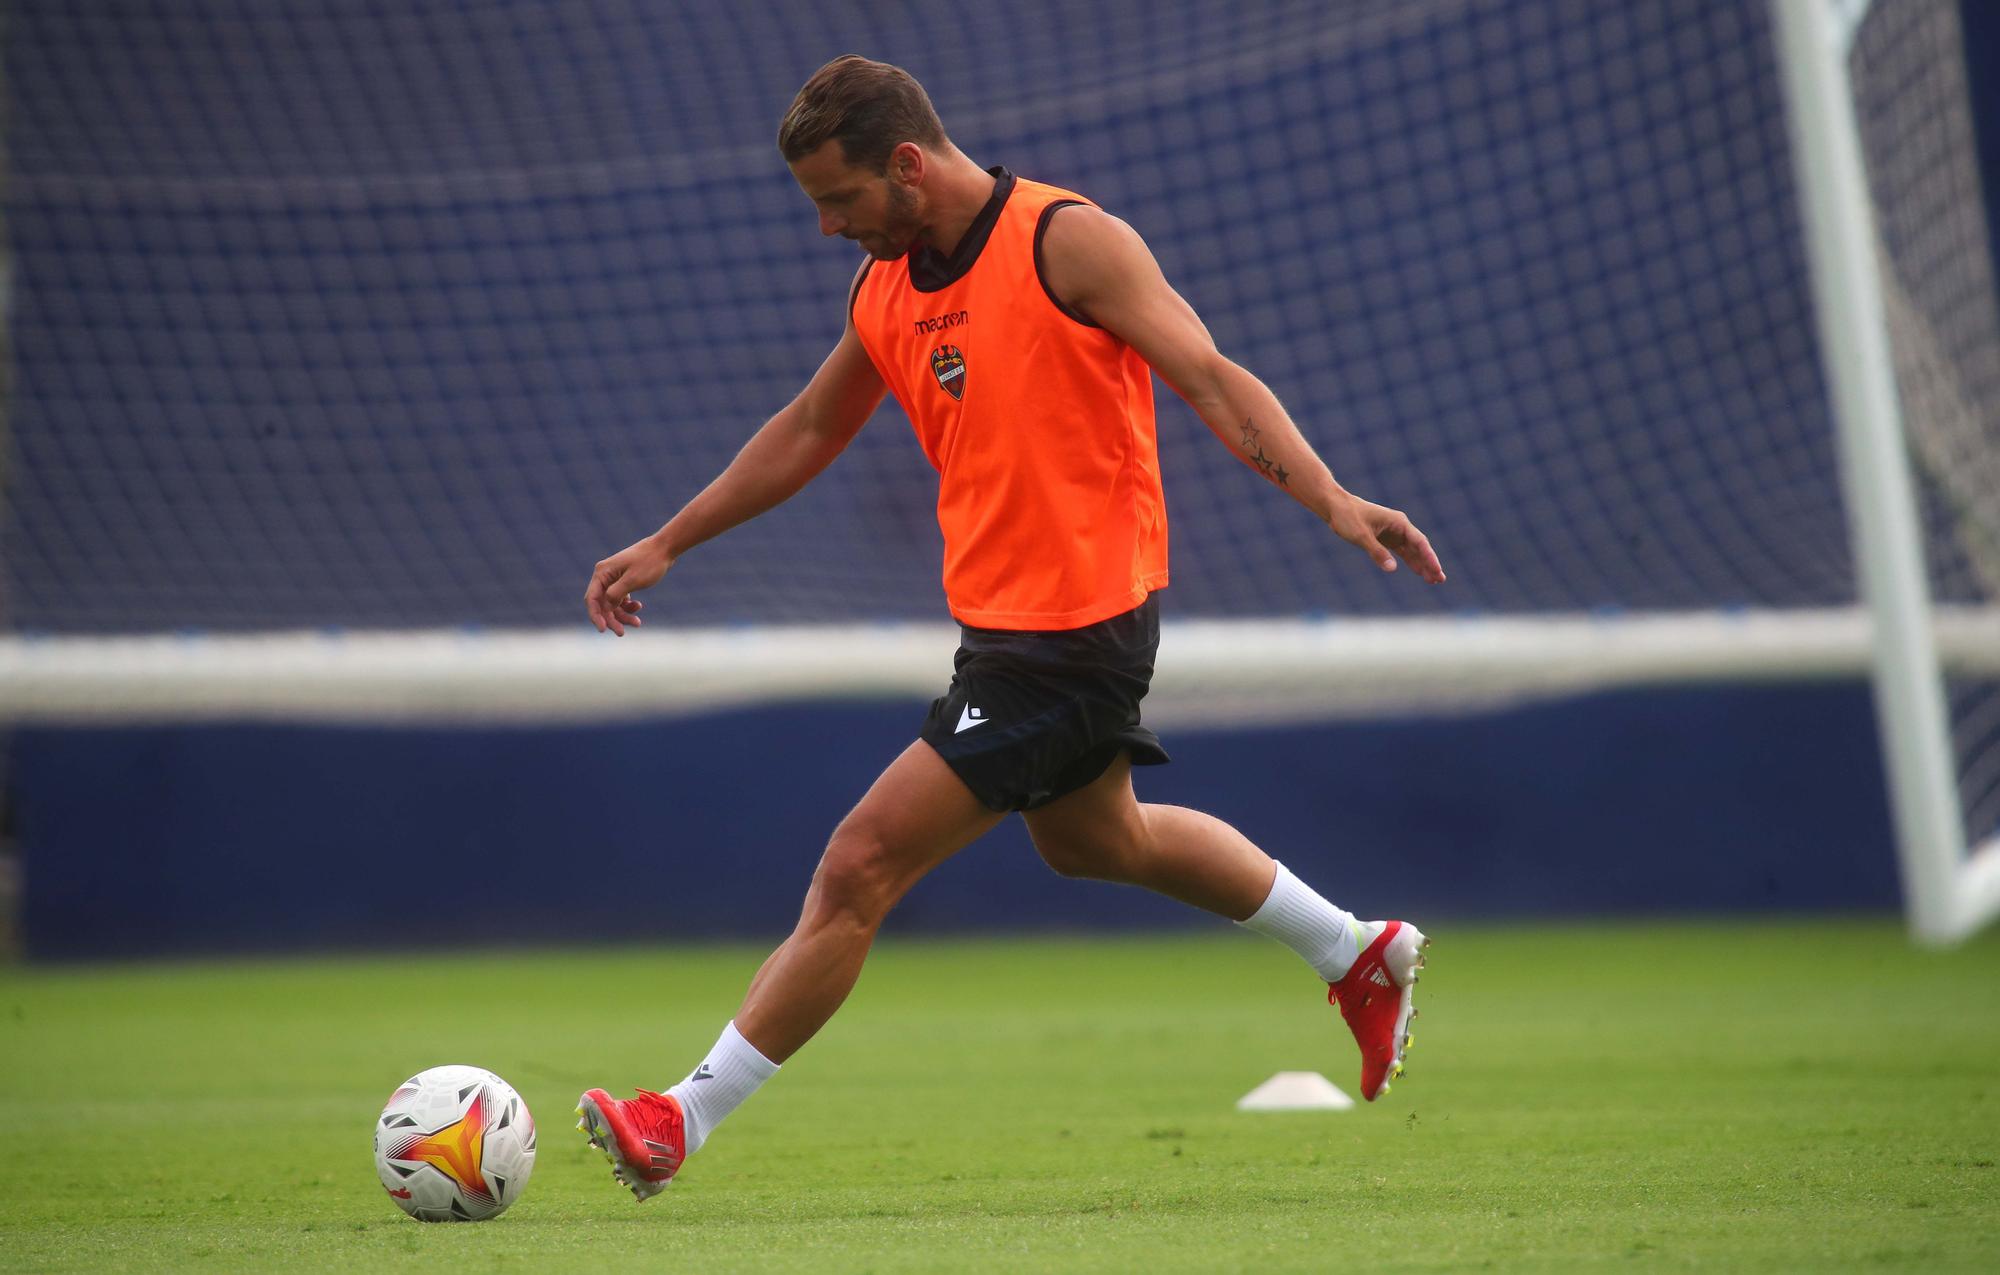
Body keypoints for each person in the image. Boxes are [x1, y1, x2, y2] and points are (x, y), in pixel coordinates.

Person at [574, 55, 1447, 1201]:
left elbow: (1208, 375)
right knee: (1097, 841)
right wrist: (669, 541)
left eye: (837, 201)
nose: (827, 228)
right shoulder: (887, 289)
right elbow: (803, 431)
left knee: (858, 865)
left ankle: (675, 1121)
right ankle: (1354, 950)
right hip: (1003, 635)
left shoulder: (1065, 242)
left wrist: (1330, 497)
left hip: (1076, 634)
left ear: (905, 165)